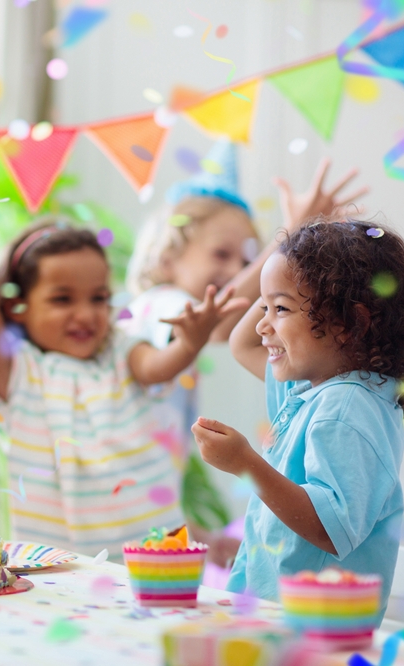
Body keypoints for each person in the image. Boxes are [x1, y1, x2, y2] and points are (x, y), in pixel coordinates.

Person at [0, 148, 252, 558]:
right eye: (62, 299)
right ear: (16, 306)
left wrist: (189, 342)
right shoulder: (18, 372)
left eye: (99, 297)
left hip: (154, 566)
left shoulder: (120, 349)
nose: (86, 314)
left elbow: (158, 368)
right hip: (63, 577)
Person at [123, 142, 368, 553]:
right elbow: (217, 325)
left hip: (146, 492)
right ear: (167, 257)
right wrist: (291, 237)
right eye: (221, 253)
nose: (238, 271)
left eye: (246, 261)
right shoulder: (158, 304)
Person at [192, 220, 404, 619]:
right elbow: (242, 343)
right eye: (265, 307)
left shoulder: (347, 408)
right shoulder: (314, 391)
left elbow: (330, 528)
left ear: (349, 323)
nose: (262, 323)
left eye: (281, 309)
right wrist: (282, 262)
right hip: (276, 623)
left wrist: (246, 465)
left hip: (311, 634)